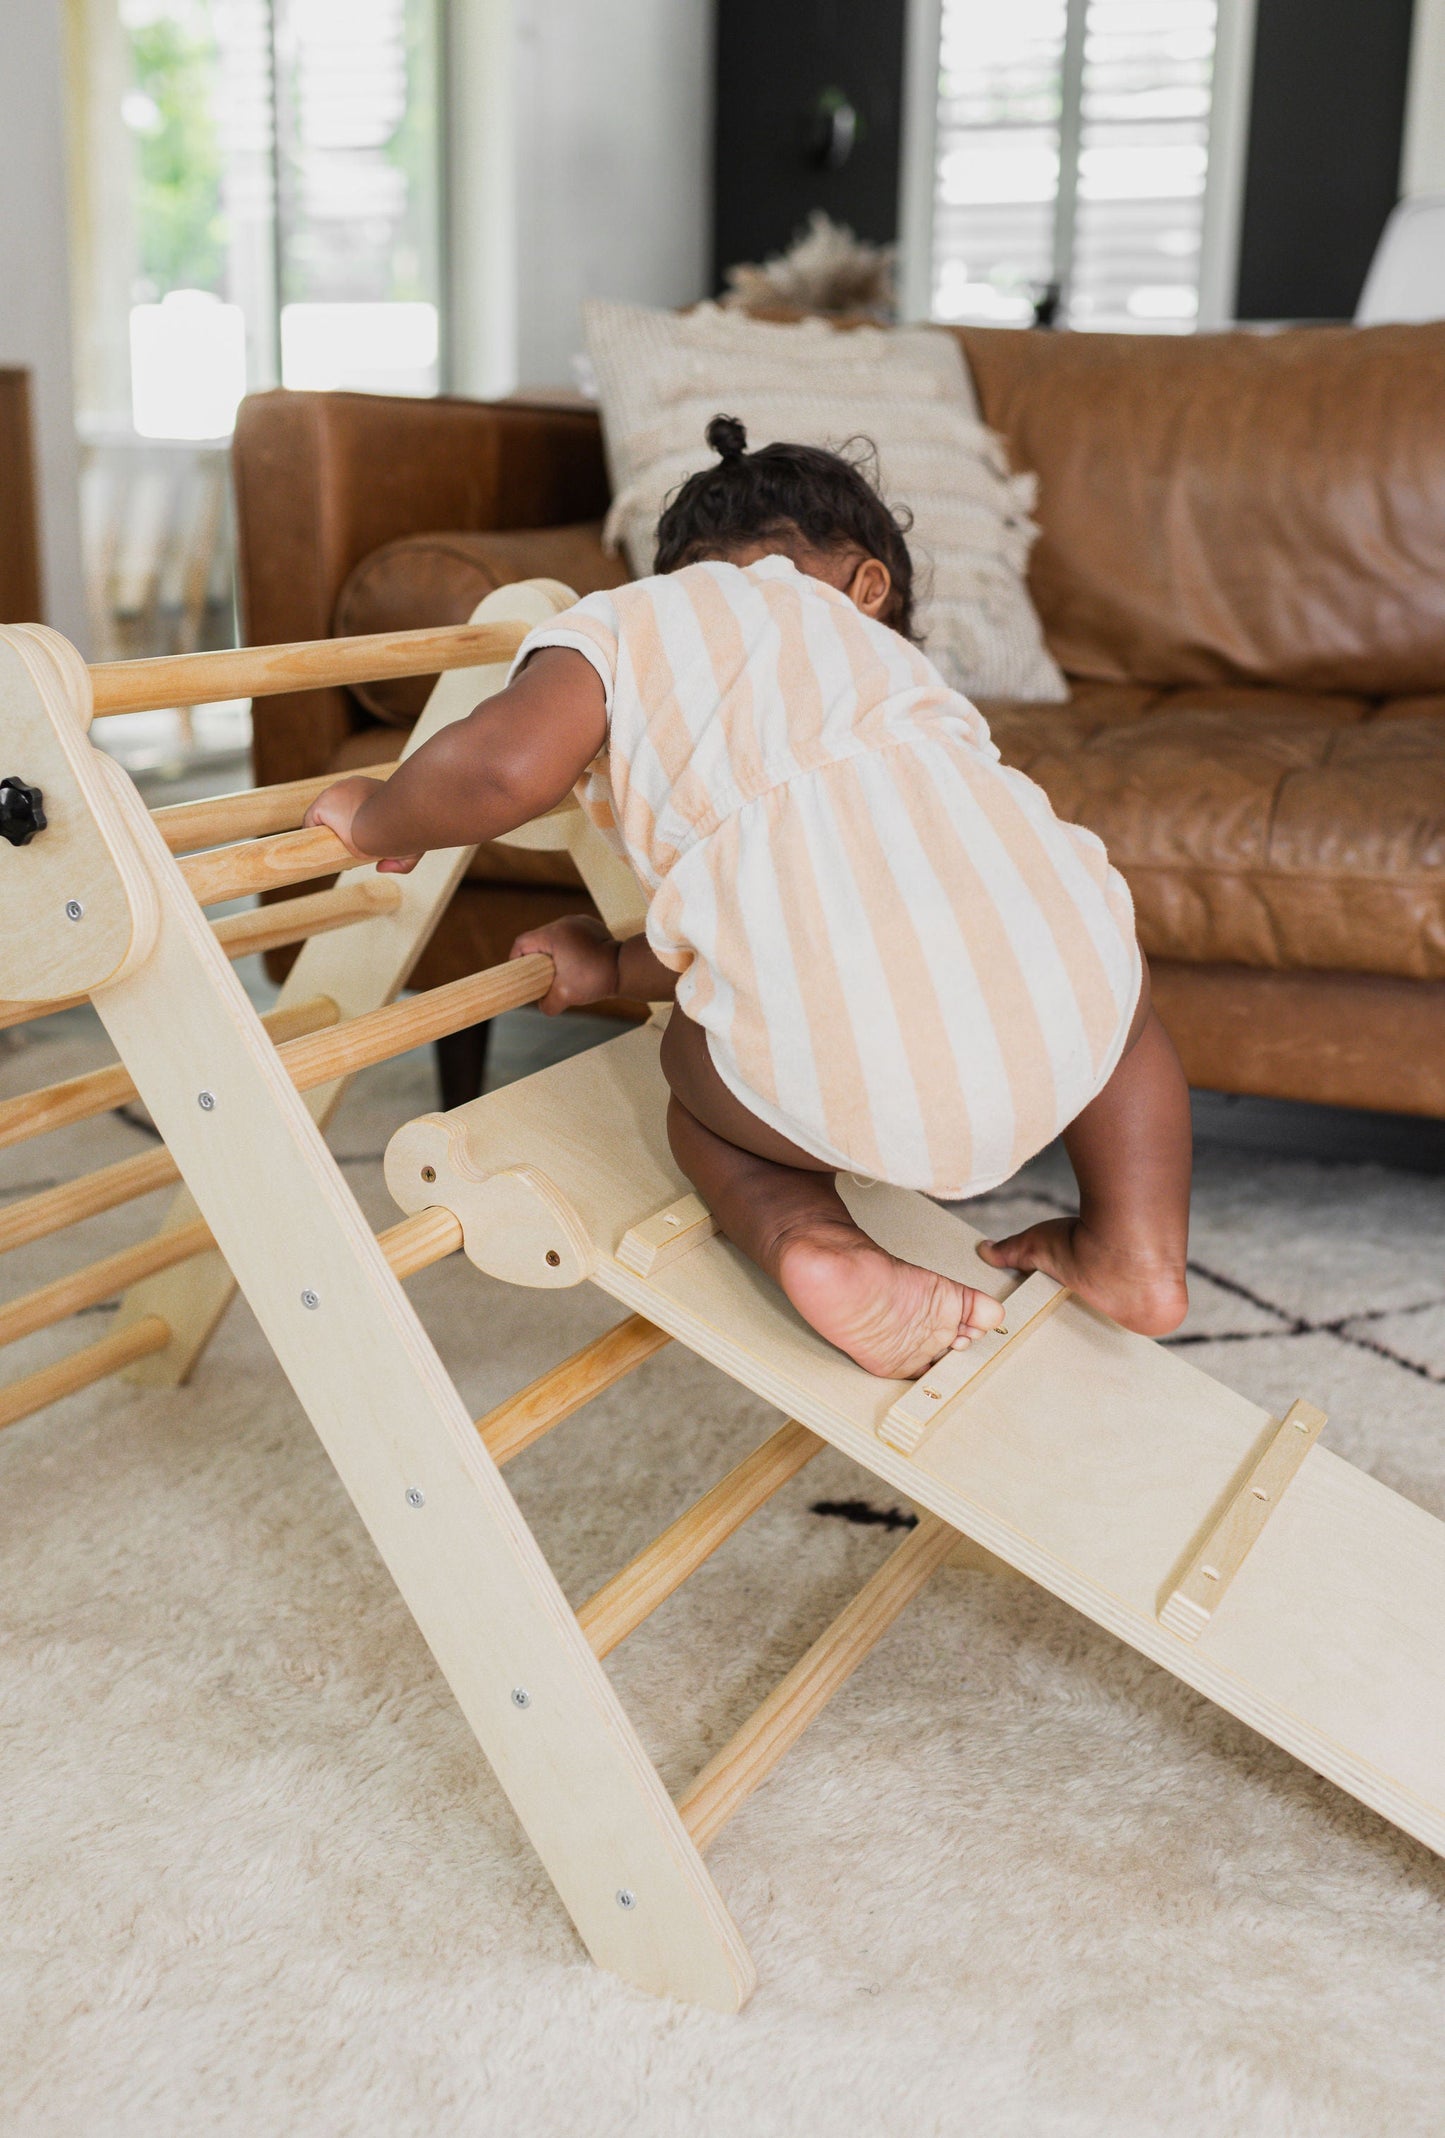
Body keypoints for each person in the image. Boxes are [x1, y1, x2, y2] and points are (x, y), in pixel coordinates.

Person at [306, 415, 1191, 1380]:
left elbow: (502, 769)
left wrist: (381, 819)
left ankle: (815, 1240)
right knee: (1115, 977)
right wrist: (607, 960)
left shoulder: (630, 617)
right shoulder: (904, 681)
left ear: (678, 570)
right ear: (869, 587)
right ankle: (1134, 1249)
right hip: (1063, 1040)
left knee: (692, 1073)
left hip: (827, 1076)